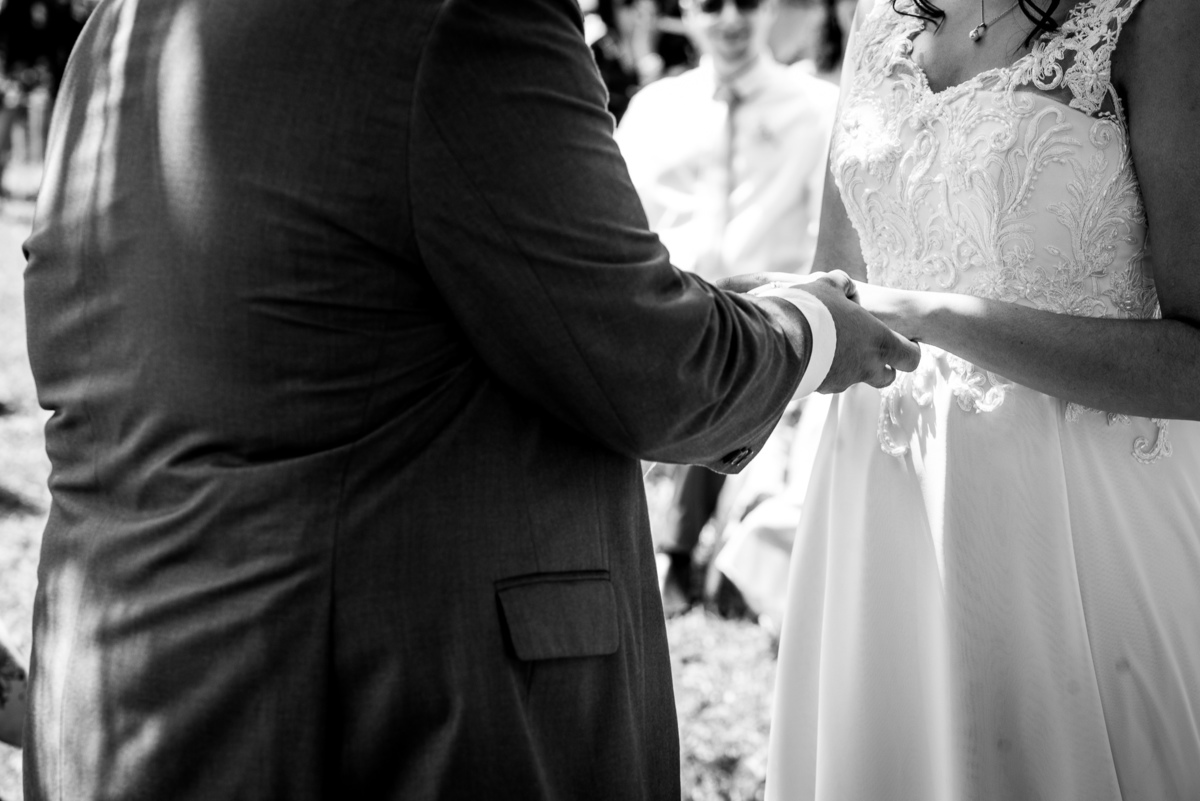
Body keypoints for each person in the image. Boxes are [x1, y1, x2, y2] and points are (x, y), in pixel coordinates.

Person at [21, 0, 919, 799]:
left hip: (125, 693)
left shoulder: (119, 26)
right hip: (377, 706)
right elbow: (640, 363)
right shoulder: (465, 18)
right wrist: (811, 329)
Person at [765, 0, 1200, 798]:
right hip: (878, 506)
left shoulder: (1157, 18)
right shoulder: (878, 17)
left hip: (1080, 532)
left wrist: (936, 318)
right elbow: (836, 278)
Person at [616, 0, 839, 612]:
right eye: (712, 5)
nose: (732, 21)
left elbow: (834, 243)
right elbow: (619, 229)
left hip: (774, 326)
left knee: (726, 347)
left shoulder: (819, 110)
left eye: (746, 2)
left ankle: (688, 549)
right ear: (683, 11)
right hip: (666, 321)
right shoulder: (652, 111)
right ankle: (694, 547)